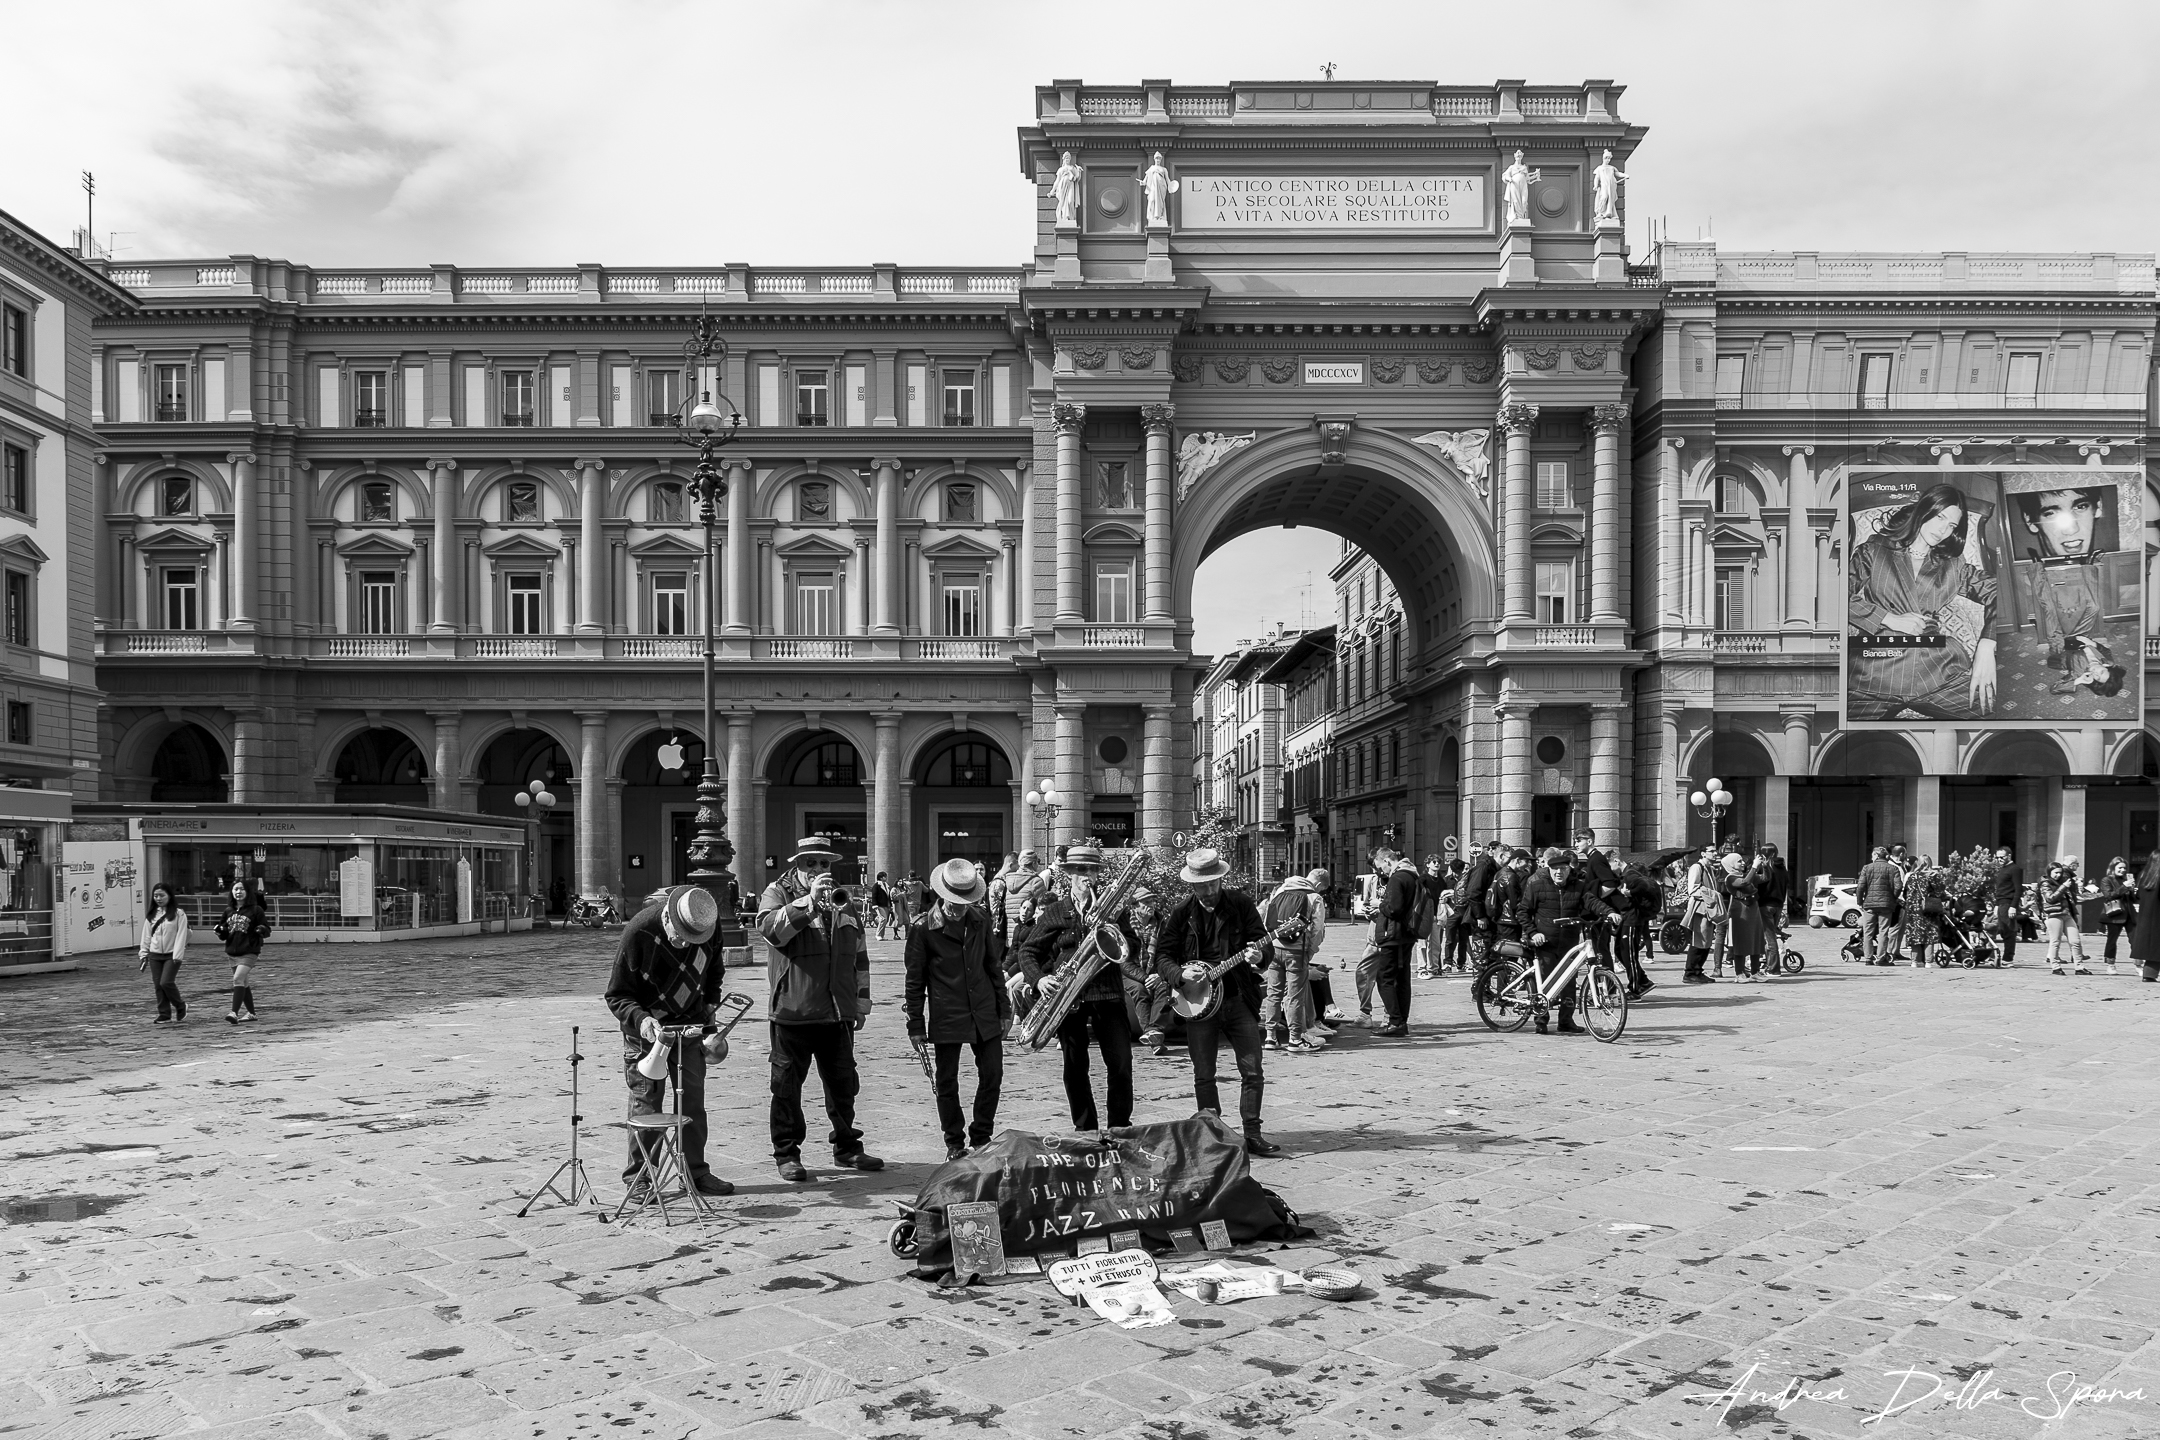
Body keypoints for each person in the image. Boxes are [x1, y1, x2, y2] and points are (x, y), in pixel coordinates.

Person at [758, 836, 881, 1182]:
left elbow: (859, 953)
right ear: (798, 865)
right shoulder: (778, 893)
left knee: (844, 1083)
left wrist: (860, 1002)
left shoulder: (844, 900)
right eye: (811, 863)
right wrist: (808, 904)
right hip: (793, 1010)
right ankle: (787, 1153)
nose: (818, 870)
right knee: (785, 1086)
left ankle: (847, 1147)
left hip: (837, 1009)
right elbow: (769, 930)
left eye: (824, 864)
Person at [604, 885, 736, 1198]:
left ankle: (694, 1173)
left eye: (692, 939)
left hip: (689, 1028)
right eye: (679, 935)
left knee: (692, 1102)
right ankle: (639, 1180)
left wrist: (709, 1012)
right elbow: (617, 994)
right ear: (668, 916)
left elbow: (714, 973)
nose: (684, 943)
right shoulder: (639, 930)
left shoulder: (707, 925)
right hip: (647, 1031)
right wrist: (642, 1019)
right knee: (647, 1104)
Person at [1154, 847, 1281, 1157]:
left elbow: (1264, 945)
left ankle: (1252, 1132)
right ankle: (1212, 1134)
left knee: (1252, 1068)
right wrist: (1181, 976)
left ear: (1220, 880)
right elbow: (1163, 957)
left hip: (1238, 996)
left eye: (1213, 884)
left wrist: (1258, 956)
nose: (1209, 891)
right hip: (1198, 1004)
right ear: (1192, 884)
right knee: (1203, 1074)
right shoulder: (1182, 913)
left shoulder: (1240, 904)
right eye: (1203, 885)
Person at [1847, 482, 2002, 720]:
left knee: (1993, 719)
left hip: (1935, 669)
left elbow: (1998, 591)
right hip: (1874, 673)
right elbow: (1835, 598)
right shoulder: (1873, 551)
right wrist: (1890, 619)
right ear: (1924, 511)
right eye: (1940, 517)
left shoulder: (1953, 565)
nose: (1943, 530)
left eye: (1951, 525)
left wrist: (1987, 644)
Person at [1018, 844, 1136, 1133]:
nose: (1088, 876)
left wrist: (1117, 934)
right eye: (1081, 870)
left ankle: (1120, 1127)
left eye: (1093, 870)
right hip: (1068, 997)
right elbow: (1027, 951)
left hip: (1107, 993)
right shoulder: (1056, 911)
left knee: (1121, 1062)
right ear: (1069, 874)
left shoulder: (1111, 908)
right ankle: (1085, 1128)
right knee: (1074, 1067)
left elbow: (1132, 946)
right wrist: (1040, 979)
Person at [903, 859, 1009, 1160]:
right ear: (943, 895)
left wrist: (1004, 1008)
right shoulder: (923, 928)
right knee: (946, 1080)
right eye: (956, 902)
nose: (961, 907)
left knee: (993, 1074)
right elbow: (914, 979)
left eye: (967, 901)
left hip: (984, 1008)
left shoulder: (980, 919)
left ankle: (981, 1135)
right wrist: (915, 1024)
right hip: (947, 1011)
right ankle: (953, 1140)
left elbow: (993, 966)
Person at [1515, 848, 1619, 1034]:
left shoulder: (1577, 887)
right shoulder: (1537, 885)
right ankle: (1541, 1020)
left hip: (1569, 941)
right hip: (1545, 941)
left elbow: (1591, 902)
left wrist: (1609, 912)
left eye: (1563, 869)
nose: (1559, 873)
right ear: (1549, 869)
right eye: (1555, 869)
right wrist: (1532, 933)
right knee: (1546, 982)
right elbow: (1523, 911)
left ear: (1569, 870)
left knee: (1569, 983)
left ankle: (1566, 1020)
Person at [1260, 866, 1329, 1053]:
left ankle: (1270, 1037)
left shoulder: (1281, 890)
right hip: (1297, 952)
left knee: (1273, 993)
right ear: (1318, 884)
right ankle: (1295, 1039)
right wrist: (1310, 951)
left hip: (1274, 948)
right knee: (1294, 995)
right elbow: (1318, 930)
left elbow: (1268, 919)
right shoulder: (1314, 898)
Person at [1370, 846, 1421, 1037]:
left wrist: (1379, 904)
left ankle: (1395, 1020)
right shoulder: (1411, 875)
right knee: (1401, 979)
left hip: (1395, 935)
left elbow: (1394, 909)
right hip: (1405, 934)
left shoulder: (1398, 877)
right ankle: (1399, 1021)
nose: (1381, 872)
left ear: (1387, 861)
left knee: (1385, 978)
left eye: (1381, 867)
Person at [214, 880, 269, 1023]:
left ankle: (234, 1013)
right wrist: (219, 931)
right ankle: (251, 1013)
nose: (238, 892)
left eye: (242, 889)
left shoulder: (256, 910)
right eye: (235, 889)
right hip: (232, 952)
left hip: (250, 950)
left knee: (238, 978)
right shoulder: (228, 911)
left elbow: (267, 929)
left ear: (248, 892)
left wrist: (261, 930)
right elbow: (224, 932)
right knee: (243, 982)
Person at [140, 882, 190, 1024]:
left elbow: (182, 935)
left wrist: (178, 955)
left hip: (172, 954)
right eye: (155, 895)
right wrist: (143, 953)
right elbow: (146, 936)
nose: (158, 898)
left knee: (166, 982)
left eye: (162, 895)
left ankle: (180, 1005)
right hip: (155, 954)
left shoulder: (178, 914)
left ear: (169, 896)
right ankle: (164, 1014)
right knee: (158, 985)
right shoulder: (152, 915)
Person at [1680, 858, 1729, 985]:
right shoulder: (1697, 867)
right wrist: (1712, 895)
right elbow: (1693, 889)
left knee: (1706, 941)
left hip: (1708, 909)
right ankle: (1690, 972)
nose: (1714, 854)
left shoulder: (1710, 868)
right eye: (1711, 851)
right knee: (1699, 940)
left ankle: (1698, 971)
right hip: (1700, 908)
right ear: (1703, 853)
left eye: (1714, 851)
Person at [1857, 846, 1903, 966]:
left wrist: (1859, 901)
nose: (1871, 857)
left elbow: (1860, 887)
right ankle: (1881, 958)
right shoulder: (1893, 869)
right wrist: (1893, 897)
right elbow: (1898, 886)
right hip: (1886, 905)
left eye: (1872, 855)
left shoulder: (1867, 868)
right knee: (1883, 931)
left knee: (1868, 932)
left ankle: (1868, 957)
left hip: (1869, 904)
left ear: (1876, 855)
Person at [1459, 840, 1502, 969]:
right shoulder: (1484, 867)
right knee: (1482, 958)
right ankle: (1479, 987)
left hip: (1490, 918)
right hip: (1481, 920)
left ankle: (1485, 986)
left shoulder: (1493, 867)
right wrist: (1480, 916)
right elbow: (1473, 893)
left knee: (1489, 957)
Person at [2039, 861, 2088, 976]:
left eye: (2060, 873)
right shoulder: (2045, 883)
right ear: (2049, 872)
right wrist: (2063, 887)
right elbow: (2050, 898)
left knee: (2075, 941)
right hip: (2054, 914)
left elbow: (2071, 897)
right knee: (2056, 941)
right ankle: (2055, 966)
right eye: (2055, 873)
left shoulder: (2063, 882)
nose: (2058, 875)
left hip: (2066, 913)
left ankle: (2079, 967)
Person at [1725, 852, 1767, 980]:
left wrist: (1764, 866)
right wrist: (1754, 866)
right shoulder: (1730, 878)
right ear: (1731, 864)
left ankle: (1755, 971)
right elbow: (1743, 883)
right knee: (1741, 941)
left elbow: (1765, 878)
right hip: (1740, 911)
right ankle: (1739, 972)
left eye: (1742, 861)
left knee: (1756, 939)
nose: (1742, 863)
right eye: (1739, 861)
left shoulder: (1746, 875)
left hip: (1753, 908)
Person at [1899, 856, 1944, 969]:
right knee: (1929, 934)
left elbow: (1905, 893)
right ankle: (1928, 961)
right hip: (1928, 908)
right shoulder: (1933, 876)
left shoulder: (1912, 876)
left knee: (1915, 935)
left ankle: (1915, 961)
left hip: (1913, 909)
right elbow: (1940, 892)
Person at [2098, 856, 2136, 973]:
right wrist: (2124, 887)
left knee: (2135, 939)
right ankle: (2110, 964)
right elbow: (2109, 896)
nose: (2123, 870)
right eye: (2120, 868)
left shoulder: (2127, 880)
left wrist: (2133, 890)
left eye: (2124, 868)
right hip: (2115, 914)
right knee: (2112, 940)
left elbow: (2133, 898)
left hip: (2129, 913)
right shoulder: (2107, 880)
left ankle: (2138, 964)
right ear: (2113, 868)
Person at [1987, 847, 2025, 964]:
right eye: (1997, 857)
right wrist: (1997, 905)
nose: (1999, 860)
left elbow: (2018, 889)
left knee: (2009, 931)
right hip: (2001, 903)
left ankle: (2008, 958)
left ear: (2009, 856)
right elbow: (2001, 889)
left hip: (2008, 903)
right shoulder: (2003, 869)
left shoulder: (2015, 869)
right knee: (2000, 929)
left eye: (2002, 857)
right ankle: (1992, 956)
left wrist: (2013, 906)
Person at [2130, 849, 2160, 983]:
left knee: (2152, 947)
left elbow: (2138, 895)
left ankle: (2149, 974)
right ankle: (2149, 974)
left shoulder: (2145, 876)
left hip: (2146, 916)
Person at [867, 871, 897, 941]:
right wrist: (875, 905)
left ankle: (882, 935)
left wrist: (890, 905)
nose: (886, 878)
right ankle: (878, 934)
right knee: (883, 919)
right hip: (879, 905)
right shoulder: (876, 885)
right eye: (884, 876)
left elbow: (888, 896)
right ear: (881, 877)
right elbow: (874, 896)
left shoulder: (886, 885)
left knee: (885, 920)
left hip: (886, 905)